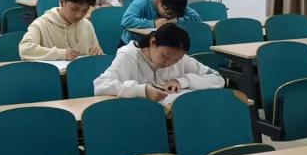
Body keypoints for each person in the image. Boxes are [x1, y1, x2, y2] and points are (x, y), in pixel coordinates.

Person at [94, 23, 225, 100]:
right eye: (165, 56)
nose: (169, 63)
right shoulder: (129, 56)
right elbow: (101, 85)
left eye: (176, 60)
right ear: (153, 42)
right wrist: (143, 90)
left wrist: (182, 81)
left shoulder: (180, 59)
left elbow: (217, 78)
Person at [19, 0, 103, 61]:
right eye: (74, 9)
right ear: (62, 2)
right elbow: (24, 49)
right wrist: (61, 54)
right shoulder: (41, 24)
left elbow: (96, 51)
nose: (79, 15)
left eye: (84, 11)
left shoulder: (87, 25)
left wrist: (97, 53)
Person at [119, 0, 201, 45]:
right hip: (133, 45)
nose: (169, 17)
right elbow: (126, 21)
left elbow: (197, 19)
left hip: (160, 45)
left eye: (174, 15)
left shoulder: (176, 4)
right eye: (169, 13)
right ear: (160, 0)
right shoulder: (142, 1)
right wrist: (153, 23)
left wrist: (177, 20)